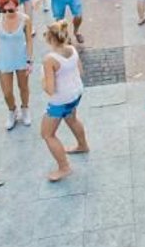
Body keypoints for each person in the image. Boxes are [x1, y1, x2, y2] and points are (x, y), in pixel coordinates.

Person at [40, 20, 89, 182]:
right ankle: (83, 145)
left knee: (47, 134)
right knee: (72, 119)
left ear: (50, 38)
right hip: (76, 93)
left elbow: (50, 89)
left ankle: (64, 167)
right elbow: (80, 71)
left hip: (60, 100)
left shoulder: (50, 59)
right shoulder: (72, 49)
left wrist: (42, 80)